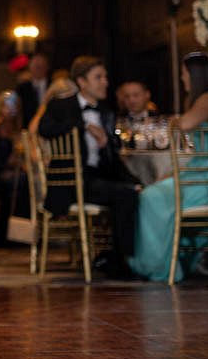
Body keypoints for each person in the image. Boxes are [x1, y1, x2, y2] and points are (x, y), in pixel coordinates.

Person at [128, 53, 208, 282]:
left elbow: (182, 125)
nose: (183, 79)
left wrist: (173, 121)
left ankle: (159, 265)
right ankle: (172, 258)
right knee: (158, 185)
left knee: (150, 197)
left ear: (196, 75)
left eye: (184, 73)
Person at [37, 56, 141, 279]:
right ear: (82, 82)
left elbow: (112, 160)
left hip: (96, 179)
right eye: (98, 77)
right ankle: (119, 261)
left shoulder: (106, 112)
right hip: (69, 181)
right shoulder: (61, 105)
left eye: (105, 77)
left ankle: (117, 257)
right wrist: (84, 126)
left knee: (132, 193)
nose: (105, 82)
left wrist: (134, 181)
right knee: (124, 196)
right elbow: (44, 129)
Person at [0, 90, 26, 246]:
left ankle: (20, 235)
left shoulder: (18, 129)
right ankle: (7, 236)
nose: (10, 109)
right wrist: (10, 163)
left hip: (14, 173)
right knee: (18, 184)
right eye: (6, 106)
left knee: (24, 182)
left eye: (13, 106)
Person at [16, 53, 49, 127]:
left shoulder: (52, 85)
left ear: (47, 67)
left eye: (41, 66)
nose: (39, 69)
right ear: (29, 67)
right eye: (36, 66)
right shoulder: (22, 88)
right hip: (28, 128)